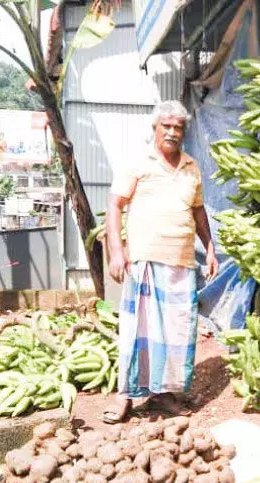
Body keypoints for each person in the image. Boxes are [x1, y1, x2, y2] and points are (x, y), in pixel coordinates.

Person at [102, 101, 219, 423]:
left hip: (181, 262)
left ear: (184, 132)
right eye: (166, 125)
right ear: (155, 128)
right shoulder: (138, 161)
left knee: (175, 332)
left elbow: (198, 210)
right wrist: (116, 250)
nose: (171, 131)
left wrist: (209, 247)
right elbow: (115, 204)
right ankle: (125, 395)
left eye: (178, 127)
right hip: (145, 259)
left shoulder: (192, 166)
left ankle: (163, 394)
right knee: (137, 331)